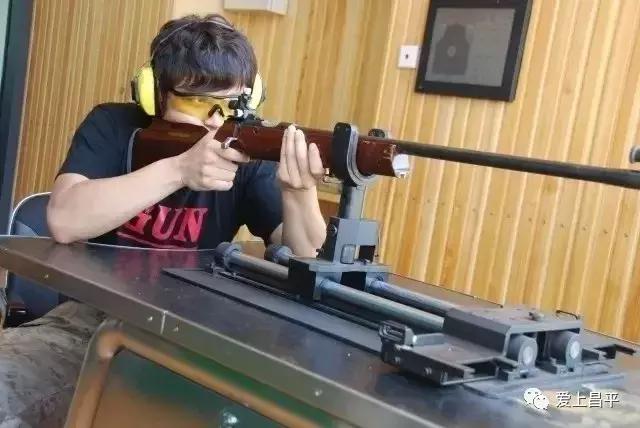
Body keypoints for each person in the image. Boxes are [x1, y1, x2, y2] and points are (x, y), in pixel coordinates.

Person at [0, 14, 326, 426]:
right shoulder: (113, 126)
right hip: (89, 323)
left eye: (230, 106)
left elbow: (306, 257)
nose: (215, 121)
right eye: (197, 103)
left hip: (199, 340)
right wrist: (178, 170)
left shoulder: (248, 150)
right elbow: (65, 219)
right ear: (154, 93)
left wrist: (300, 193)